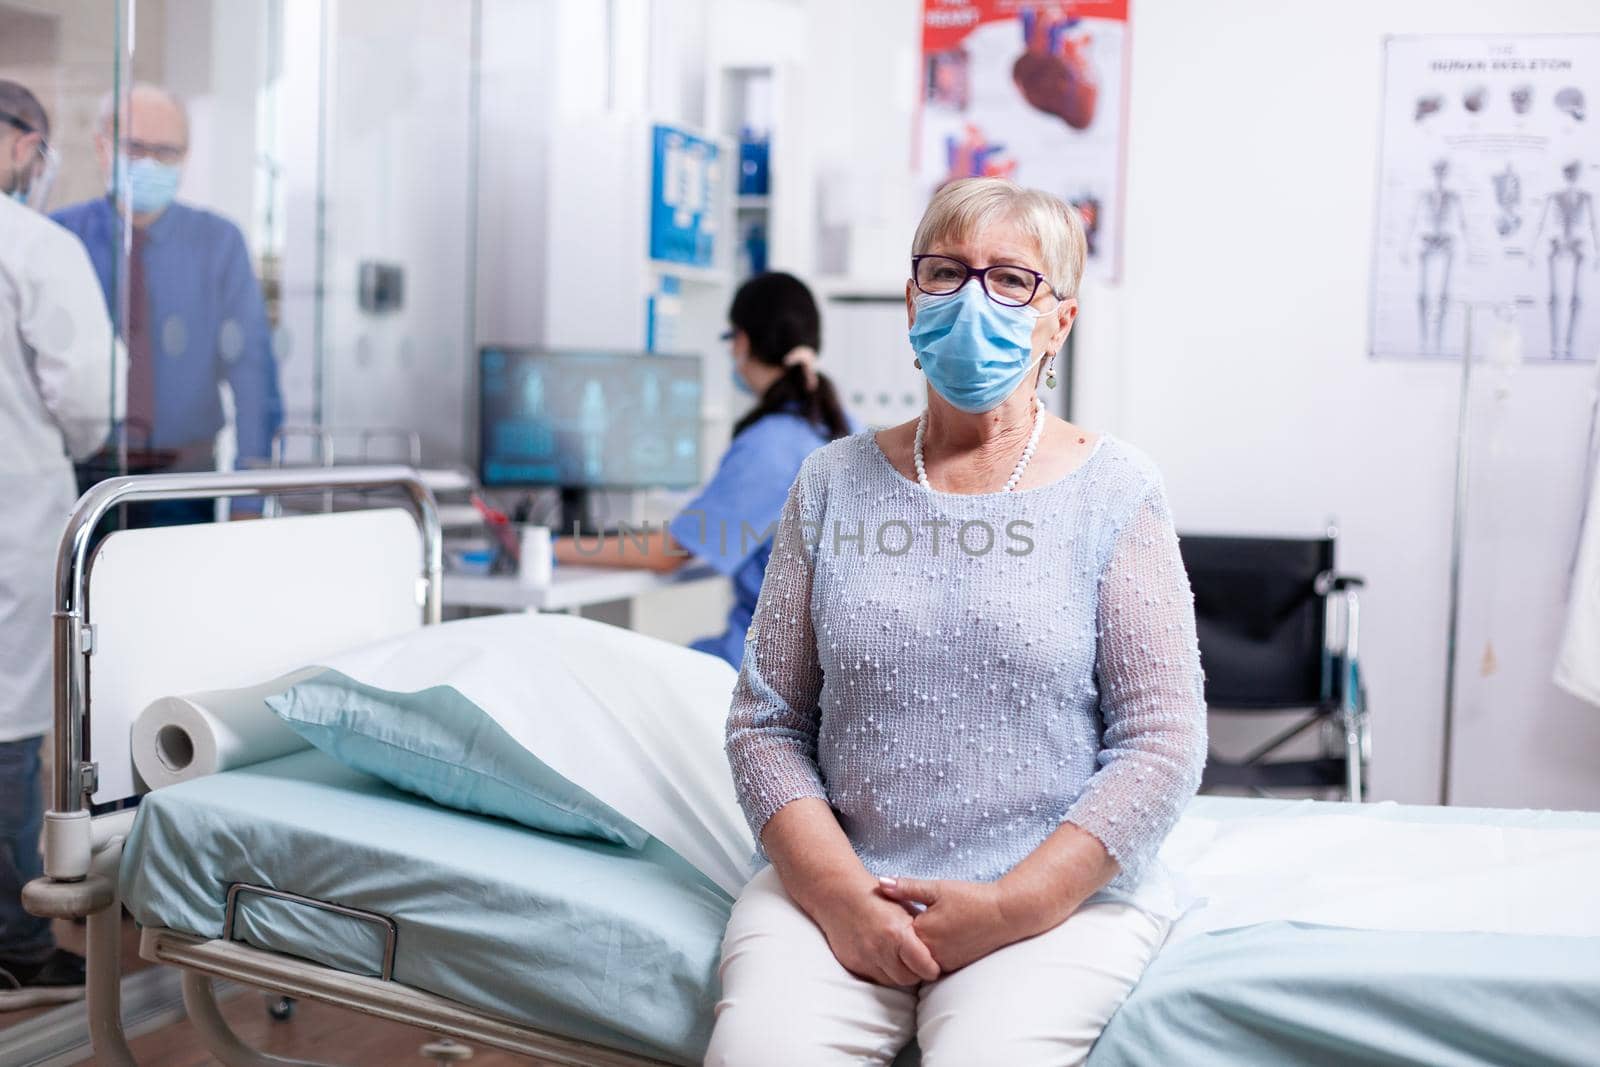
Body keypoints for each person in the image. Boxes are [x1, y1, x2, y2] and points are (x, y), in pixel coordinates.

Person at [704, 178, 1208, 1065]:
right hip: (839, 889)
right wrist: (839, 895)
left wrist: (1014, 905)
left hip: (1056, 907)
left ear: (1060, 321)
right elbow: (767, 723)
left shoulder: (1117, 491)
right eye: (946, 273)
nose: (974, 300)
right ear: (911, 300)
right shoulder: (828, 483)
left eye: (1012, 280)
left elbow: (1161, 744)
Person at [552, 272, 853, 668]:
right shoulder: (844, 424)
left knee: (606, 667)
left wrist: (548, 548)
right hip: (822, 667)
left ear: (742, 342)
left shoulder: (770, 444)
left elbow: (669, 553)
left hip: (768, 672)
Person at [0, 79, 117, 1009]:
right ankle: (14, 940)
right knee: (7, 722)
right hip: (16, 503)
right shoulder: (36, 246)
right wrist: (69, 451)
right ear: (19, 146)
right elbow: (85, 396)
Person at [54, 82, 282, 524]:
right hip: (79, 480)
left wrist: (250, 497)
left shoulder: (218, 244)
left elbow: (253, 374)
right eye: (135, 148)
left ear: (186, 157)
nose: (150, 163)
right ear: (103, 147)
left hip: (184, 480)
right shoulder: (61, 239)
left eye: (166, 152)